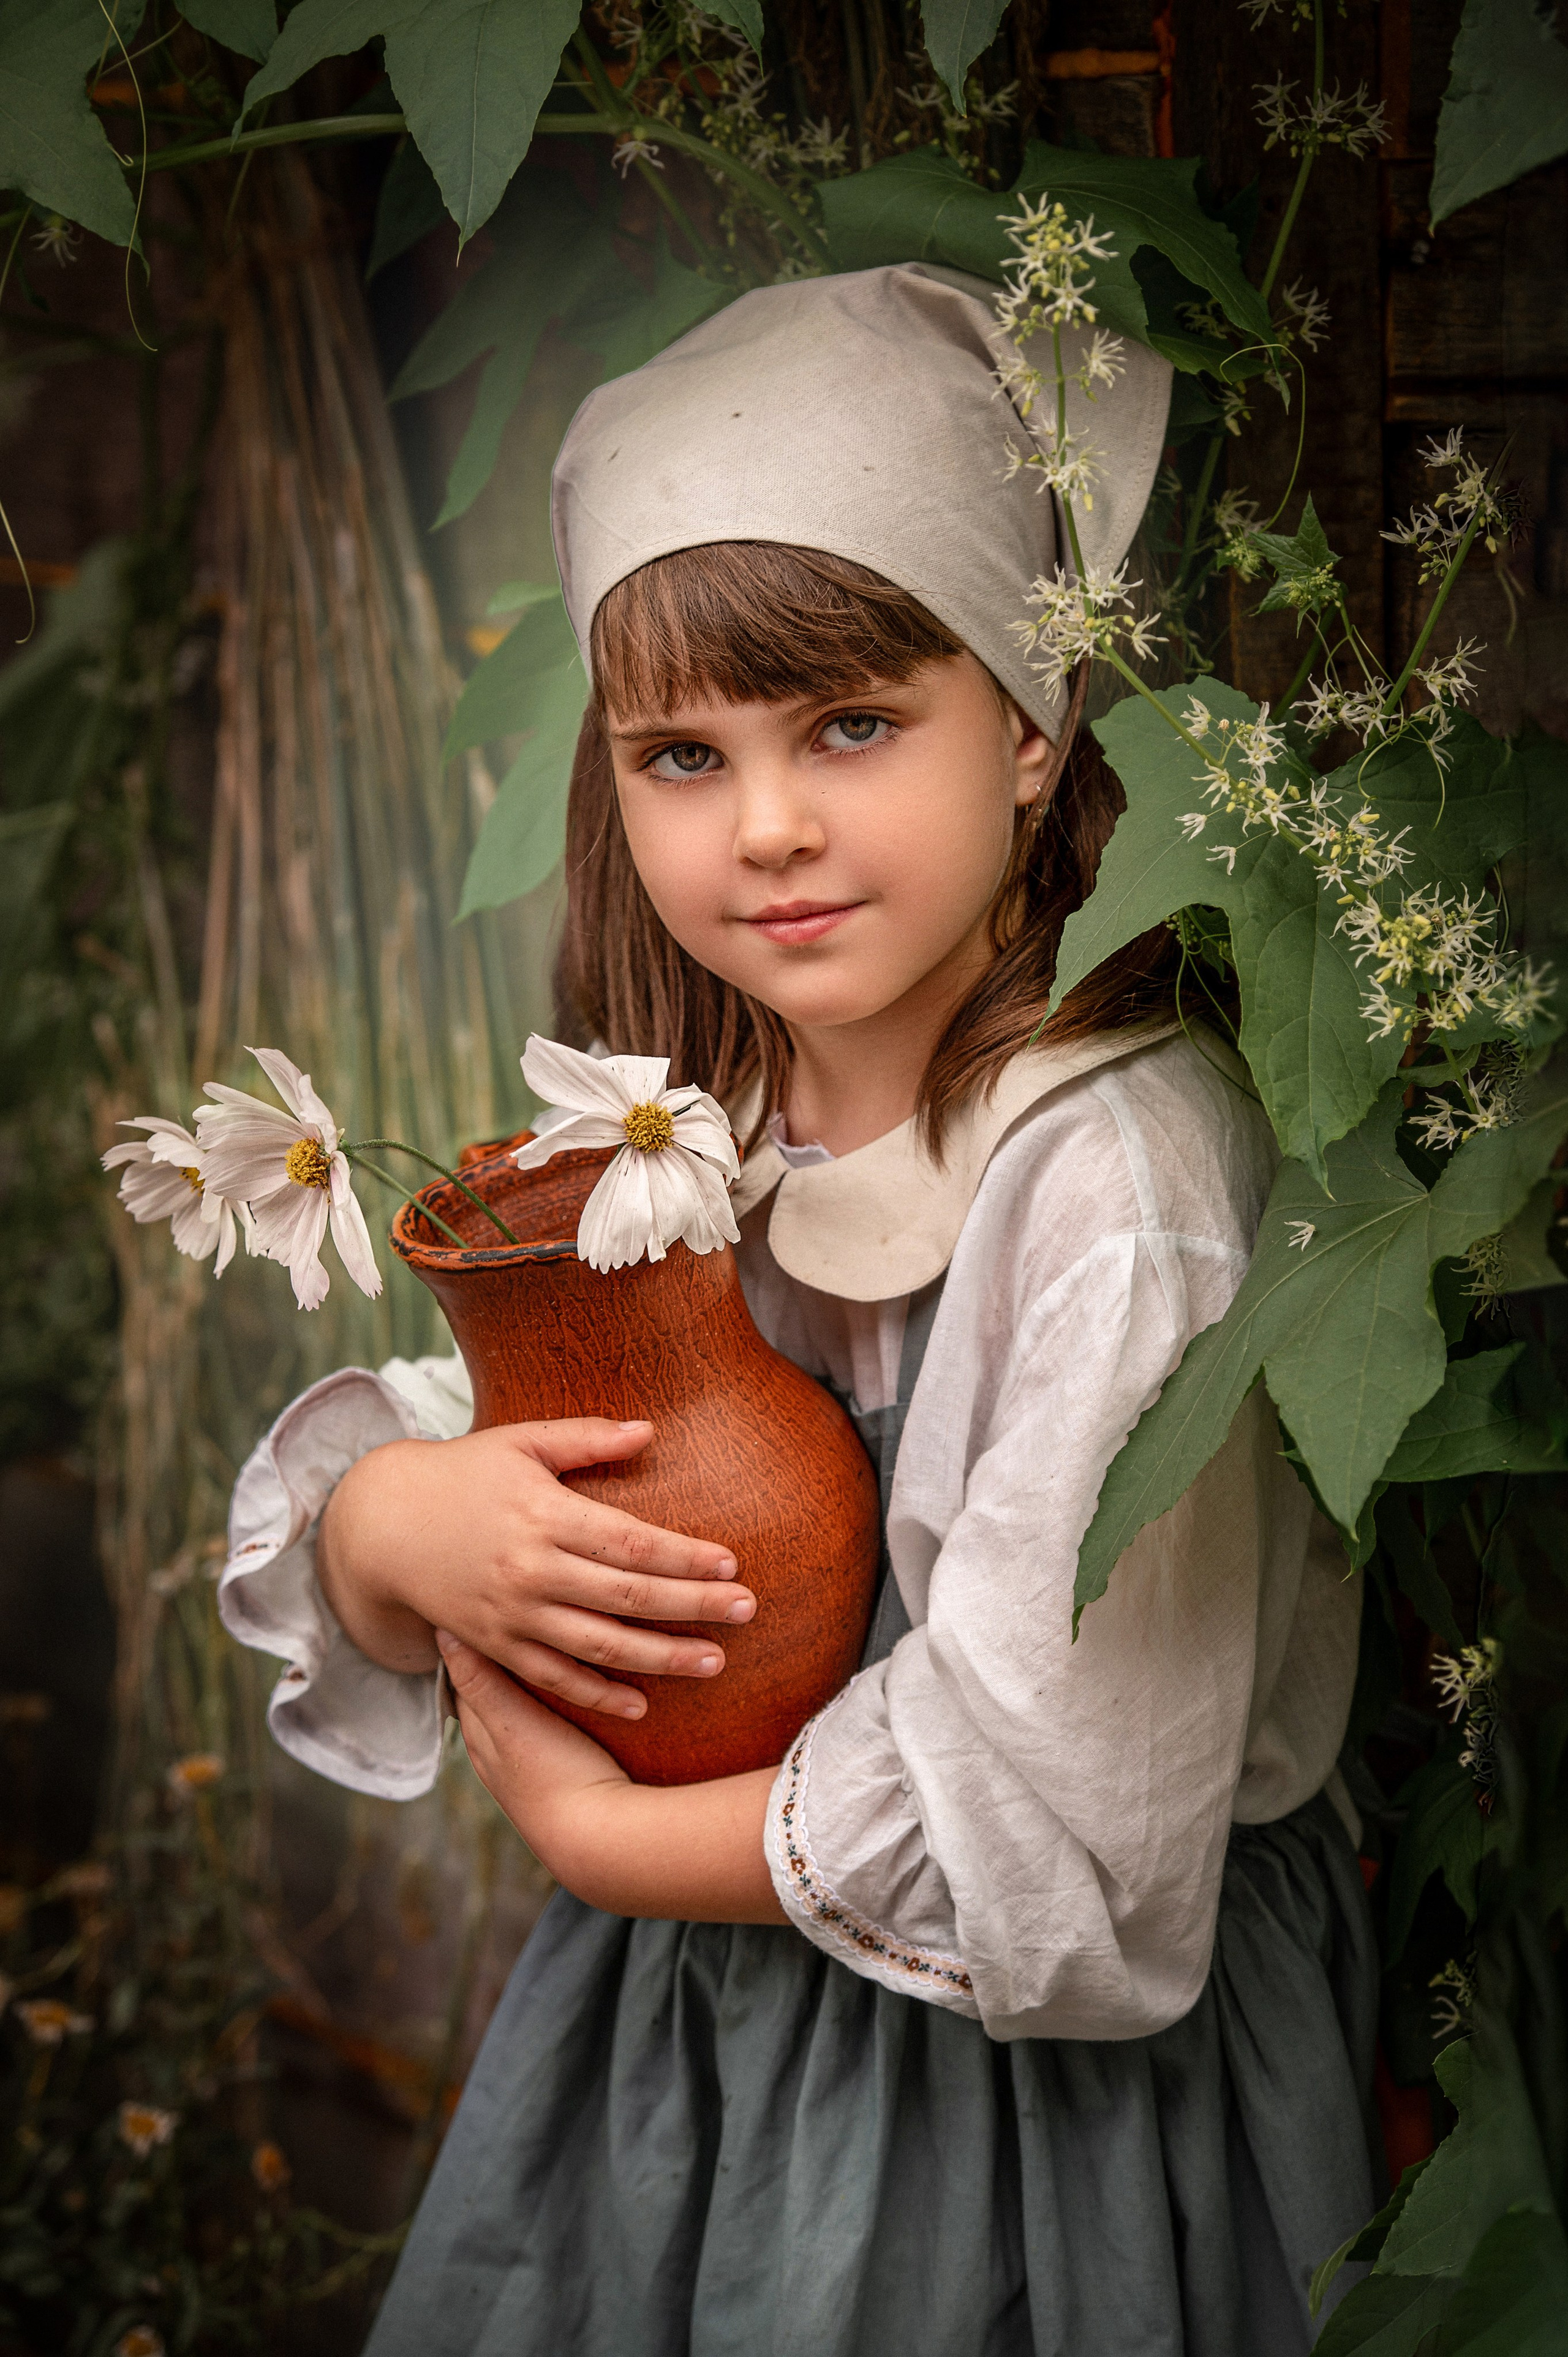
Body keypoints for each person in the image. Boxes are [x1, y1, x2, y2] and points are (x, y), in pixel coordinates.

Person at [219, 264, 1380, 2355]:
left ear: (1030, 729)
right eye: (682, 753)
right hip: (699, 2061)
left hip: (1035, 2121)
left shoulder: (1118, 1184)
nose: (767, 826)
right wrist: (396, 1531)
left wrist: (593, 1834)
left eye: (853, 724)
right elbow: (500, 1427)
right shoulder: (682, 1137)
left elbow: (1069, 1831)